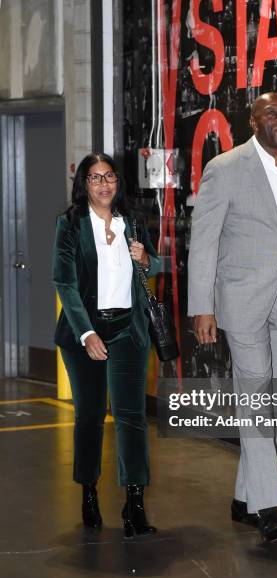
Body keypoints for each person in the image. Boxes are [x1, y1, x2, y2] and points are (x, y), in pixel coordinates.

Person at [188, 92, 277, 544]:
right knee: (256, 395)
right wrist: (201, 306)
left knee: (272, 403)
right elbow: (204, 242)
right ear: (253, 121)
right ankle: (267, 507)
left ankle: (244, 496)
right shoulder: (225, 169)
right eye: (268, 113)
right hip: (243, 302)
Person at [52, 153, 161, 537]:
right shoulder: (69, 224)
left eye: (109, 176)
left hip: (128, 330)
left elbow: (157, 265)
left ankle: (134, 506)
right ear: (84, 184)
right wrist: (87, 334)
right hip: (86, 332)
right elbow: (64, 282)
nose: (103, 184)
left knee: (132, 417)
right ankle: (89, 492)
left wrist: (147, 258)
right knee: (91, 415)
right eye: (95, 178)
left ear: (118, 182)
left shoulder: (131, 221)